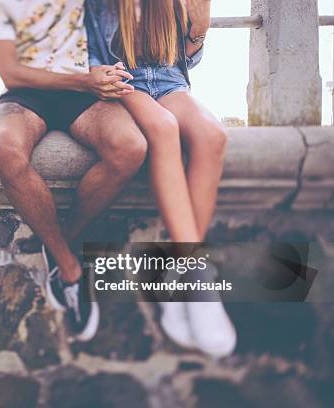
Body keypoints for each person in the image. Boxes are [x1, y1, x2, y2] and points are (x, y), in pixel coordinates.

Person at [0, 0, 148, 342]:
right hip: (27, 94)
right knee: (3, 148)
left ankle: (59, 245)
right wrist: (84, 82)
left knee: (131, 148)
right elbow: (10, 72)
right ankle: (69, 268)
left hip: (85, 91)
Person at [85, 0, 236, 357]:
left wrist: (198, 32)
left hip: (170, 84)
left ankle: (180, 279)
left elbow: (185, 59)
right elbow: (89, 58)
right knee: (163, 129)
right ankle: (198, 278)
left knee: (214, 136)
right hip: (125, 86)